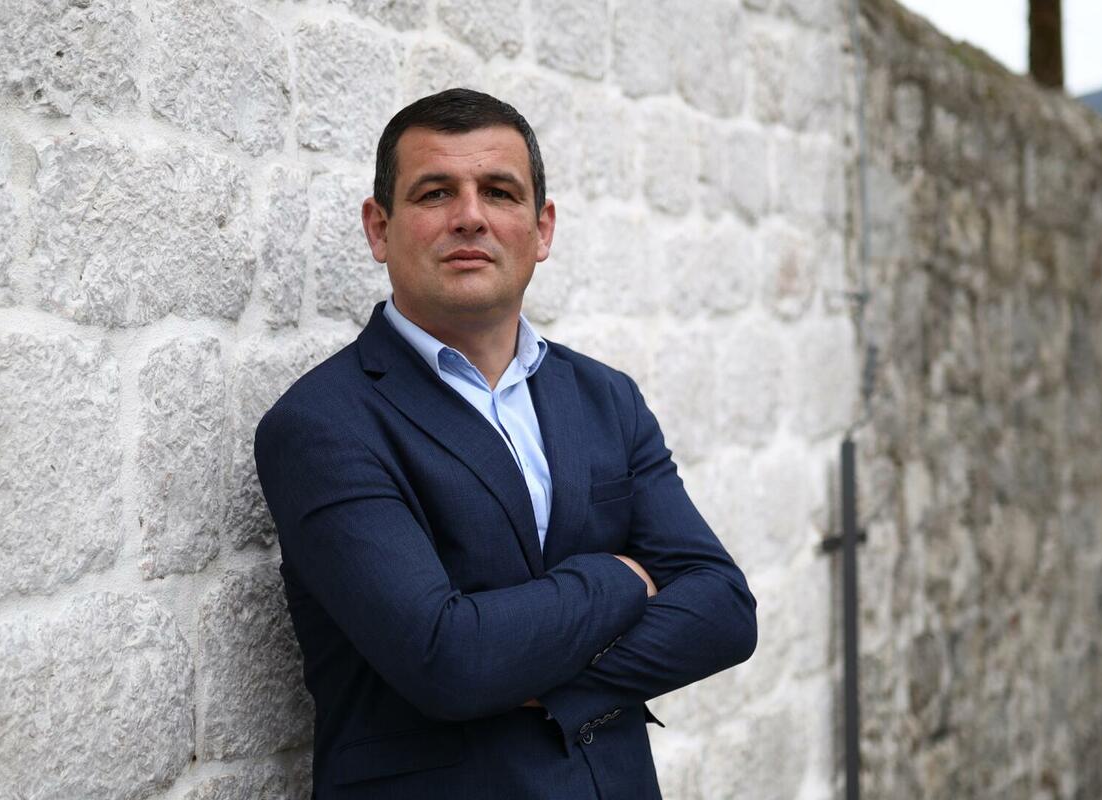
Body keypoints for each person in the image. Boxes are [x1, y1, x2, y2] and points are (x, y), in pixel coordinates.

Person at [254, 88, 757, 800]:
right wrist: (622, 577)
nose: (470, 216)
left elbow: (724, 610)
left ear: (542, 228)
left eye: (498, 191)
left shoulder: (606, 397)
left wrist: (549, 682)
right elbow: (449, 661)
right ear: (379, 228)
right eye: (435, 193)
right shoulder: (323, 424)